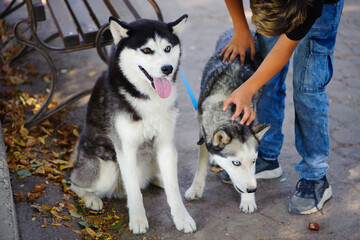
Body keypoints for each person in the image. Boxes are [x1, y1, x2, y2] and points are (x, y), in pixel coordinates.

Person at [219, 0, 344, 214]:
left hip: (319, 5)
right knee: (266, 77)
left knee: (308, 87)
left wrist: (247, 89)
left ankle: (315, 176)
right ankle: (267, 156)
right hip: (282, 5)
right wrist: (240, 28)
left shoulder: (311, 5)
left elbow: (283, 50)